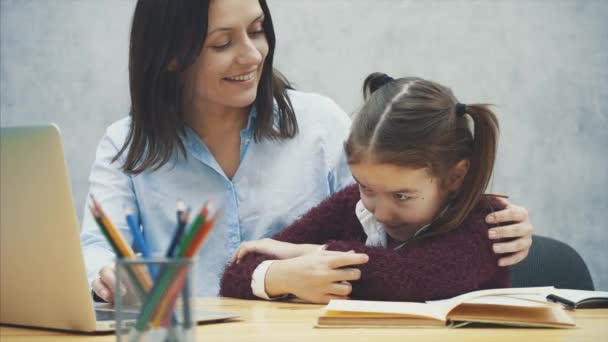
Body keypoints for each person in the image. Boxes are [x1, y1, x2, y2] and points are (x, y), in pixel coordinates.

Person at [81, 0, 533, 303]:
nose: (253, 55)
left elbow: (388, 257)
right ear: (170, 56)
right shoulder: (126, 146)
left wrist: (298, 259)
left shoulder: (320, 124)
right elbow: (96, 254)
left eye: (258, 31)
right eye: (222, 43)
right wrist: (108, 278)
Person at [220, 74, 514, 304]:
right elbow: (237, 272)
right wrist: (279, 276)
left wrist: (307, 254)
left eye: (402, 196)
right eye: (366, 187)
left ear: (455, 176)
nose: (382, 212)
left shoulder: (488, 224)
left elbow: (409, 278)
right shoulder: (352, 205)